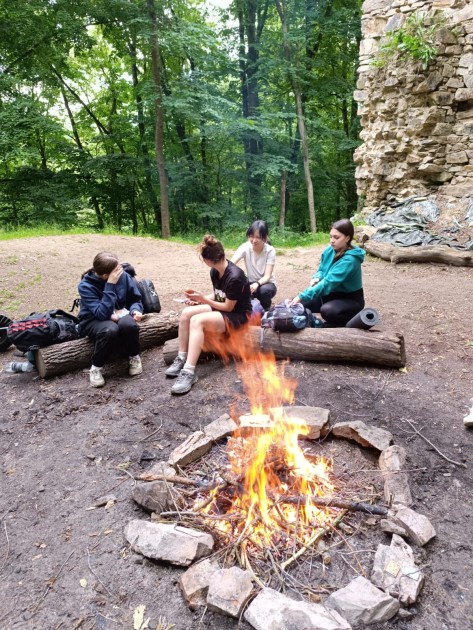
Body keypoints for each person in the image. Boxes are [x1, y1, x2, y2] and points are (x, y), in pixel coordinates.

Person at [166, 234, 252, 395]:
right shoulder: (215, 271)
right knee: (186, 314)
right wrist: (198, 300)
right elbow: (218, 295)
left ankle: (189, 372)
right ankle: (181, 357)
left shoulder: (236, 276)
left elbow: (228, 307)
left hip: (238, 316)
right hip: (223, 309)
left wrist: (203, 299)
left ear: (207, 260)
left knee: (197, 321)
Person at [78, 252, 143, 387]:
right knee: (110, 330)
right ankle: (96, 368)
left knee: (129, 325)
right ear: (105, 275)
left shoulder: (123, 276)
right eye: (117, 269)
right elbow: (101, 314)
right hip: (93, 319)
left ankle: (134, 357)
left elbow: (135, 299)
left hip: (120, 313)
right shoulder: (85, 286)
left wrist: (135, 310)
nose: (121, 270)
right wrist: (110, 285)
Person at [290, 219, 365, 327]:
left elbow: (328, 283)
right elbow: (321, 270)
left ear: (347, 238)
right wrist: (317, 277)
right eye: (331, 237)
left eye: (336, 237)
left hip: (349, 299)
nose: (332, 241)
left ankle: (344, 321)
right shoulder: (329, 250)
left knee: (327, 311)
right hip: (327, 295)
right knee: (295, 304)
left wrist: (302, 296)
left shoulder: (350, 260)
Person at [231, 220, 277, 311]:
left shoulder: (270, 250)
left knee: (264, 291)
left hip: (267, 283)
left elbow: (267, 276)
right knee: (239, 289)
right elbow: (231, 263)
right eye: (251, 236)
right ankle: (249, 311)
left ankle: (266, 310)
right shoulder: (245, 247)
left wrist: (257, 284)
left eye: (258, 237)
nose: (254, 240)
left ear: (265, 238)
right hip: (250, 283)